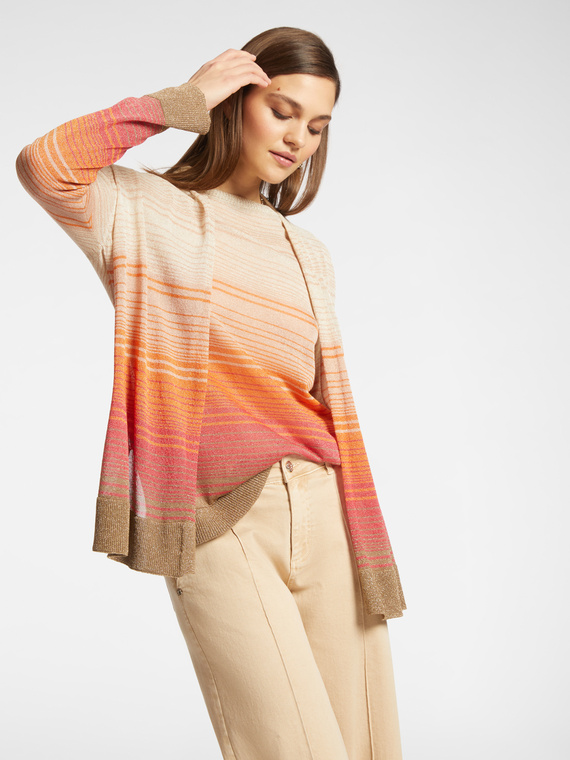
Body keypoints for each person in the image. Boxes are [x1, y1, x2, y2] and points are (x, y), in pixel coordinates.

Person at [16, 26, 406, 760]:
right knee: (293, 749)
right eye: (282, 111)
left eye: (318, 127)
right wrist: (181, 101)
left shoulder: (308, 253)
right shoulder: (142, 209)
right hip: (222, 520)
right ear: (237, 102)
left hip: (326, 512)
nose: (297, 139)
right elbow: (46, 164)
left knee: (364, 748)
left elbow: (319, 400)